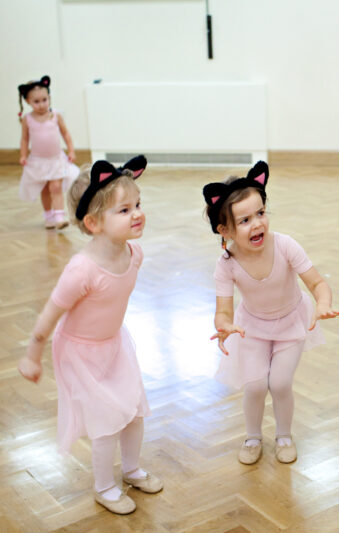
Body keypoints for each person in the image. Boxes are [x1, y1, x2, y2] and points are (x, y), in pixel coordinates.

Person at [17, 156, 162, 515]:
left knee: (133, 412)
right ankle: (104, 486)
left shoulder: (134, 253)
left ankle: (130, 469)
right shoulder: (81, 270)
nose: (137, 214)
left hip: (115, 345)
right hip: (80, 353)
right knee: (106, 423)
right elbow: (51, 313)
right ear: (93, 223)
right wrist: (32, 354)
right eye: (124, 209)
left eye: (138, 205)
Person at [203, 161, 339, 465]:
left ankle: (284, 435)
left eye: (261, 213)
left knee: (280, 383)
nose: (257, 224)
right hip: (251, 327)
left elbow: (317, 282)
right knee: (254, 385)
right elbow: (224, 310)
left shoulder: (285, 245)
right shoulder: (226, 264)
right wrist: (225, 325)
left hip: (291, 321)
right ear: (224, 230)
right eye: (245, 220)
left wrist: (322, 303)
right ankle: (252, 436)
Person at [17, 75, 79, 229]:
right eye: (36, 102)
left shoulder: (55, 115)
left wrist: (71, 150)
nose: (41, 105)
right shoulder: (28, 119)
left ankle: (59, 216)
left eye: (44, 100)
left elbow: (66, 134)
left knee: (55, 187)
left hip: (56, 159)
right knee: (44, 189)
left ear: (49, 98)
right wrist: (23, 155)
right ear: (28, 102)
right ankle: (49, 216)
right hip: (38, 160)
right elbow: (24, 139)